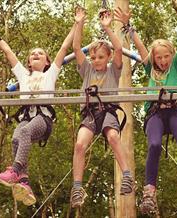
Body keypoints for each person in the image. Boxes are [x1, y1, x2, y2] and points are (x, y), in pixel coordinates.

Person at [114, 4, 177, 215]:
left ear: (171, 55)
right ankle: (149, 192)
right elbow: (139, 45)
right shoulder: (150, 67)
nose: (162, 61)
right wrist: (127, 25)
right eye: (158, 57)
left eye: (165, 56)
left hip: (174, 111)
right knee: (154, 144)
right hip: (155, 114)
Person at [0, 18, 75, 206]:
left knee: (25, 132)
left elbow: (64, 48)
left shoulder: (50, 73)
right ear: (28, 62)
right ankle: (24, 182)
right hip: (26, 116)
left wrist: (77, 25)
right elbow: (8, 52)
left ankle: (16, 170)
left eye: (41, 53)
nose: (36, 54)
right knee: (15, 138)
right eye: (33, 54)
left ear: (47, 62)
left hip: (43, 118)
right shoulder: (22, 75)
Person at [70, 7, 135, 208]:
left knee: (113, 136)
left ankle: (127, 175)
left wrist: (107, 29)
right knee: (80, 145)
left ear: (106, 58)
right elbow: (76, 47)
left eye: (100, 57)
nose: (96, 60)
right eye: (94, 57)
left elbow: (118, 49)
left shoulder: (114, 71)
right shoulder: (87, 70)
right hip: (90, 112)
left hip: (107, 111)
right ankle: (77, 187)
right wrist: (79, 23)